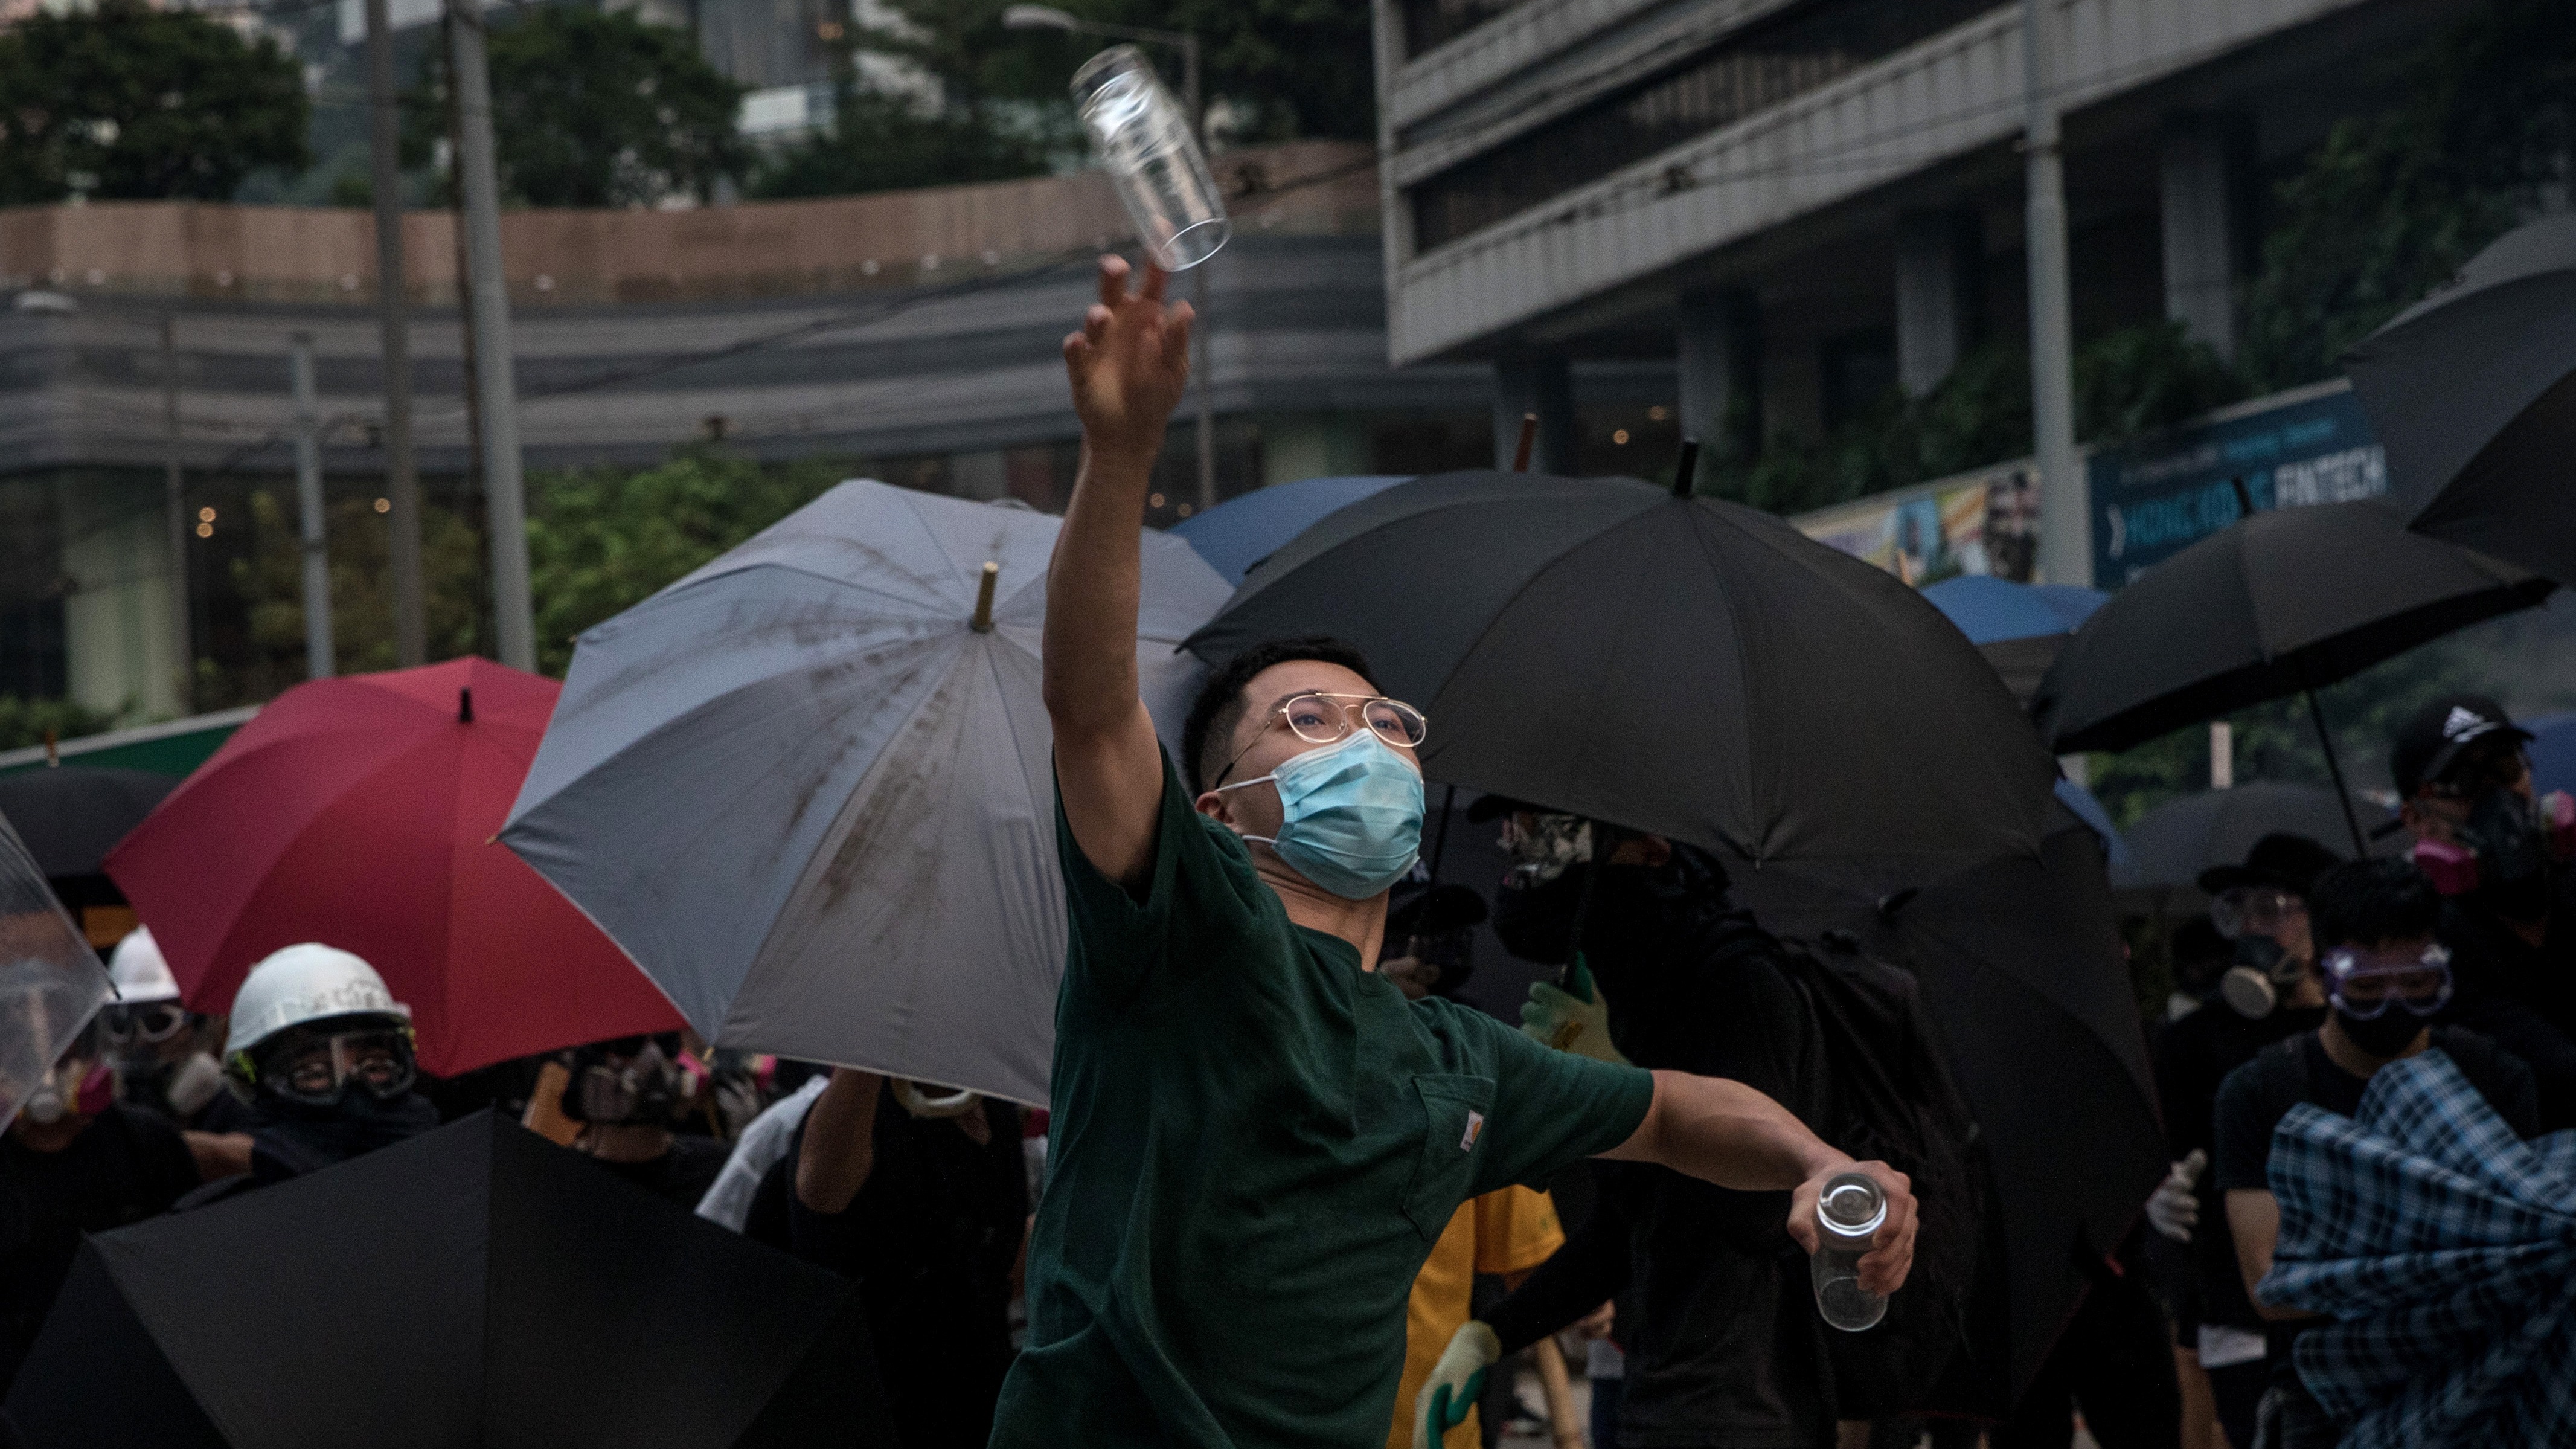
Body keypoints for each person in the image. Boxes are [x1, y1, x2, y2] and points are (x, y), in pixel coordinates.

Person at [1005, 254, 1915, 1449]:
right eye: (1308, 719)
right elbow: (1089, 706)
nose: (1365, 741)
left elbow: (1680, 1112)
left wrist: (1824, 1157)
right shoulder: (1185, 926)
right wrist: (1119, 457)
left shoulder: (1454, 1060)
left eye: (1387, 720)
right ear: (1219, 810)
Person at [1437, 808, 1838, 1449]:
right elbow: (1631, 1224)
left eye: (1554, 834)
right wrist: (1493, 1334)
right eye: (1517, 832)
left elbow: (1758, 1212)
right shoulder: (1636, 985)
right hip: (1657, 1385)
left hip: (1741, 1406)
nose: (1524, 853)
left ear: (1651, 849)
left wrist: (1629, 1090)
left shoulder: (1738, 982)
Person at [2215, 858, 2539, 1449]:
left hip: (2471, 1387)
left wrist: (2339, 1254)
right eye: (2367, 985)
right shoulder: (2264, 1092)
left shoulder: (2495, 1078)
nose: (2394, 1000)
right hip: (2324, 1401)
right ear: (2321, 968)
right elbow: (2271, 1283)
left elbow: (2519, 1259)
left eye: (2416, 980)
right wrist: (2441, 1251)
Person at [2145, 834, 2338, 1448]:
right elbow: (2166, 1143)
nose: (2256, 927)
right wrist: (2160, 1190)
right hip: (2235, 1299)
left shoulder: (2354, 1030)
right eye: (2242, 910)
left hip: (2344, 1297)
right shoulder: (2194, 1039)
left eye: (2276, 909)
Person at [751, 1067, 1027, 1448]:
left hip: (981, 1413)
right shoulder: (864, 1112)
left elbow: (999, 1269)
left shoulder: (995, 1111)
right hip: (881, 1414)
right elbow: (820, 1190)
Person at [2391, 694, 2576, 1128]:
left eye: (2505, 767)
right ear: (2417, 820)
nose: (2496, 795)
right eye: (2461, 781)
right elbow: (2558, 1073)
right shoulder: (2428, 948)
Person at [0, 1022, 202, 1393]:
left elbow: (197, 1279)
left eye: (62, 1044)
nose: (45, 1068)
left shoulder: (146, 1144)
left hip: (145, 1380)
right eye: (21, 1048)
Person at [178, 943, 440, 1206]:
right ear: (257, 1085)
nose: (353, 1090)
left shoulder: (462, 1175)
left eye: (374, 1067)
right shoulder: (224, 1222)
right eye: (315, 1073)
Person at [96, 926, 255, 1181]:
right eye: (121, 1024)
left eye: (158, 1023)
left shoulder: (232, 1102)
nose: (139, 1042)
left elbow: (259, 1157)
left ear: (199, 1024)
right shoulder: (110, 1112)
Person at [553, 1033, 729, 1209]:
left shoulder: (720, 1174)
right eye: (631, 1044)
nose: (653, 1056)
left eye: (667, 1043)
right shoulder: (559, 1187)